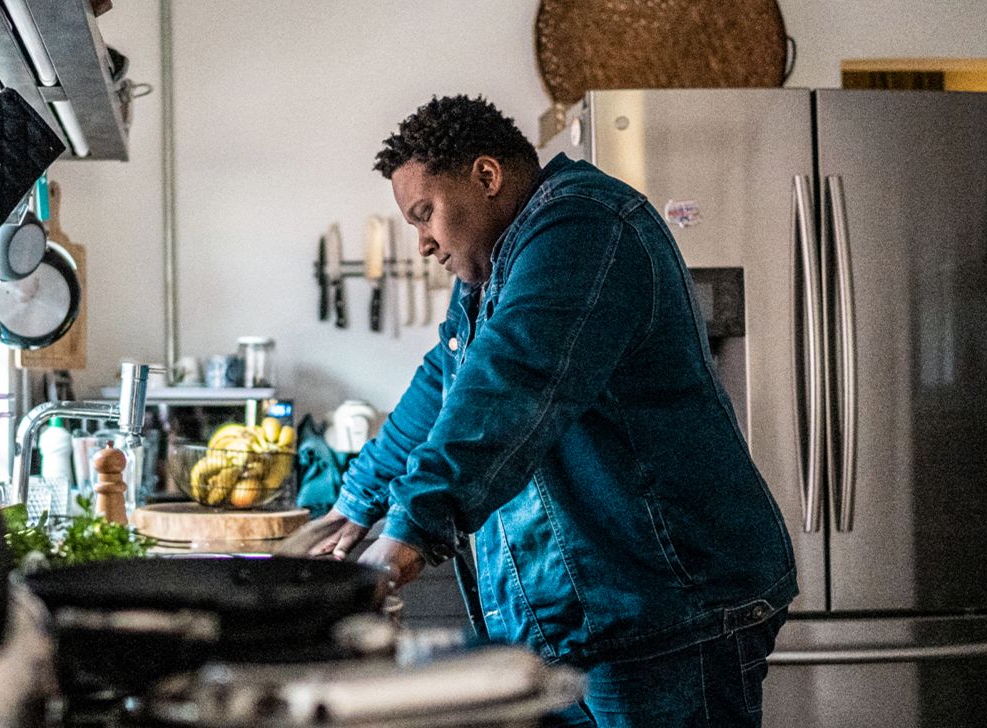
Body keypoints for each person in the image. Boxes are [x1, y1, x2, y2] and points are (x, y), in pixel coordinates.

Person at [293, 96, 797, 726]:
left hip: (668, 612)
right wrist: (353, 506)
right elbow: (444, 383)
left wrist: (406, 537)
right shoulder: (498, 267)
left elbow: (508, 386)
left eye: (426, 214)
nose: (422, 242)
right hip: (588, 619)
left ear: (486, 176)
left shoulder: (584, 226)